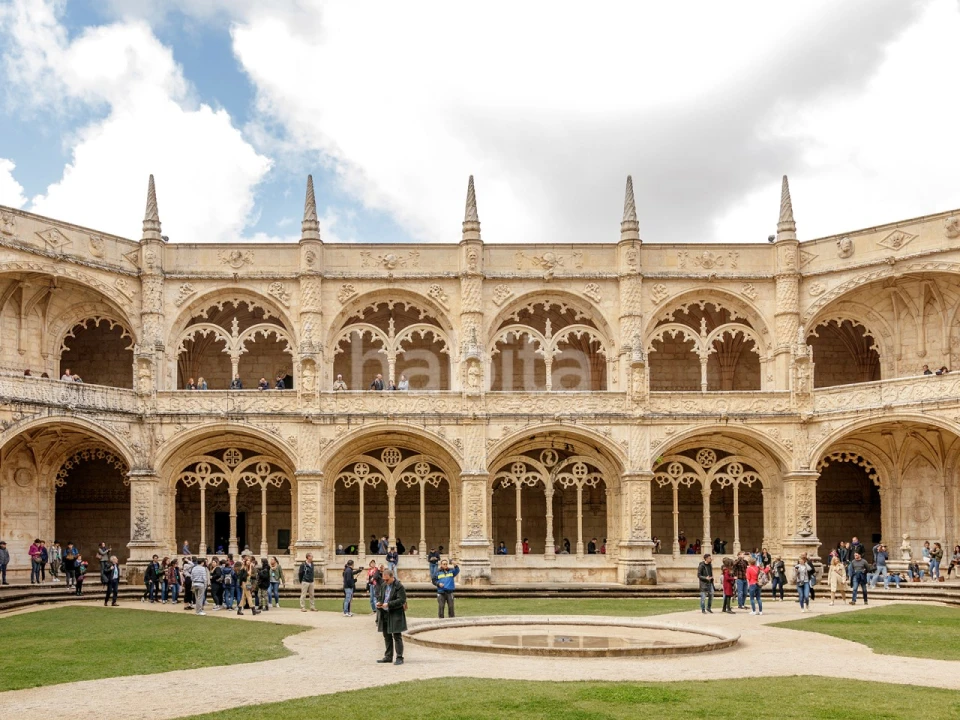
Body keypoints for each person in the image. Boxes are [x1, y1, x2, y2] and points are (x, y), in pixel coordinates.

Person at [375, 568, 407, 665]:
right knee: (387, 636)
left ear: (392, 577)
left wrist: (389, 604)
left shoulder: (399, 586)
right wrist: (379, 603)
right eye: (384, 579)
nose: (385, 581)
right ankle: (388, 656)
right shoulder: (384, 585)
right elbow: (381, 597)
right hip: (384, 613)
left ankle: (399, 657)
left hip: (395, 613)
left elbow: (401, 600)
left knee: (397, 636)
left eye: (387, 579)